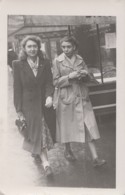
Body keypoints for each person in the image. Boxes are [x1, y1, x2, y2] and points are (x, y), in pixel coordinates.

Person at [52, 36, 106, 167]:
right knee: (67, 127)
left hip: (82, 96)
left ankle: (95, 158)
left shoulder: (80, 59)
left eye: (68, 47)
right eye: (63, 47)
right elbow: (55, 82)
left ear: (74, 47)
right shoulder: (57, 61)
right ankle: (67, 150)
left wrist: (85, 75)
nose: (65, 49)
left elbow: (89, 77)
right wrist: (69, 77)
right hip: (67, 98)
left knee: (89, 125)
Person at [13, 35, 54, 176]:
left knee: (40, 132)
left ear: (39, 47)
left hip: (43, 104)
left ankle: (42, 158)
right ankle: (46, 164)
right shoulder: (18, 64)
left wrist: (49, 95)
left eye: (35, 46)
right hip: (28, 105)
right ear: (24, 48)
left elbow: (49, 82)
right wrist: (18, 110)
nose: (32, 49)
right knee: (36, 132)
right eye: (29, 46)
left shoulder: (45, 62)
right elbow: (17, 88)